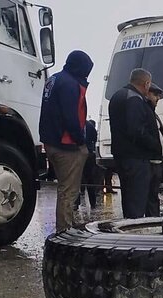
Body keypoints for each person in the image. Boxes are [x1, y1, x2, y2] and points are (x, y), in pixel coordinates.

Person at [38, 50, 94, 232]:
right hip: (67, 145)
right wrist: (81, 141)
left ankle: (64, 226)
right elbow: (71, 117)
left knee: (64, 189)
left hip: (51, 142)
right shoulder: (71, 84)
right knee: (68, 191)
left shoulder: (54, 79)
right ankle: (64, 230)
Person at [108, 68, 163, 219]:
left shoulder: (118, 95)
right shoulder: (135, 99)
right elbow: (136, 130)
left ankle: (129, 229)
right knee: (137, 203)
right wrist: (154, 145)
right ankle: (136, 236)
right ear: (146, 84)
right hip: (136, 158)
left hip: (122, 155)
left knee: (129, 198)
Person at [145, 82, 163, 217]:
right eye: (155, 94)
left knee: (153, 196)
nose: (158, 98)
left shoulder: (153, 114)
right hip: (149, 163)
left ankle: (153, 218)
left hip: (157, 163)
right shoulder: (145, 111)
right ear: (147, 93)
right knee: (148, 196)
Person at [75, 119, 100, 210]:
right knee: (90, 179)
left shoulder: (75, 123)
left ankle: (76, 203)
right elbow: (95, 137)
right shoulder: (89, 125)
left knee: (76, 179)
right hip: (88, 154)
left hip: (77, 153)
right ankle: (92, 202)